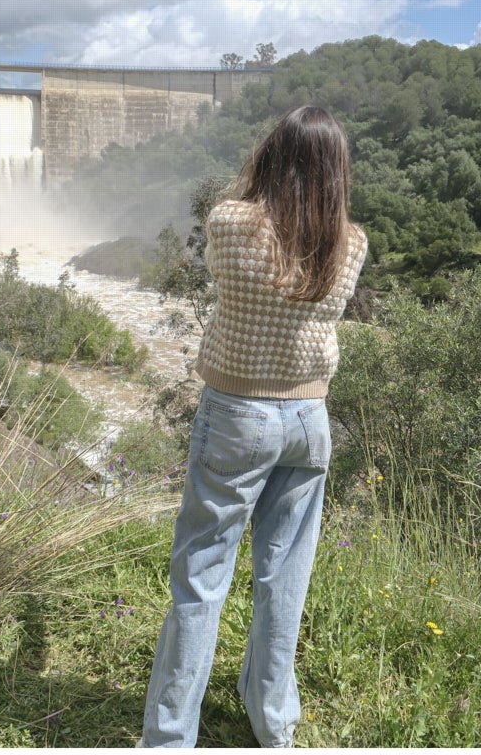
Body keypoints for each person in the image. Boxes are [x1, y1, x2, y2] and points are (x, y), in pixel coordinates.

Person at [140, 106, 368, 748]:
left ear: (273, 154)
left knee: (201, 577)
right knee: (284, 578)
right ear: (337, 171)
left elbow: (226, 252)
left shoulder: (231, 221)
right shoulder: (349, 241)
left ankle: (168, 739)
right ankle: (275, 724)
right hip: (308, 420)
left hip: (237, 414)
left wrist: (261, 176)